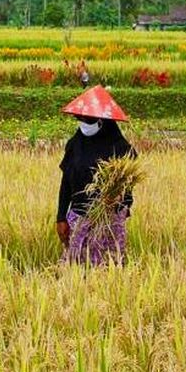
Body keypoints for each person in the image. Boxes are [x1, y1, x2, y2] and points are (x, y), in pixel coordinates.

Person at [55, 85, 136, 265]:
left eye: (89, 121)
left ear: (102, 122)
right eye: (81, 119)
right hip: (78, 218)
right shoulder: (75, 145)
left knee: (108, 267)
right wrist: (61, 217)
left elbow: (128, 192)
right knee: (75, 265)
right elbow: (66, 183)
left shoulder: (121, 151)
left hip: (109, 223)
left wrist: (115, 200)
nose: (84, 125)